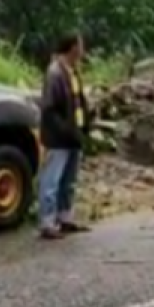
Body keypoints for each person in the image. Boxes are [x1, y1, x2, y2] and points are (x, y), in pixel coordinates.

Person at [38, 32, 92, 240]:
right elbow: (49, 109)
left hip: (74, 135)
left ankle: (65, 217)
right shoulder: (54, 73)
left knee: (69, 180)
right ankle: (48, 222)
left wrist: (84, 126)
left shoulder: (73, 71)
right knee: (52, 180)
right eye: (81, 45)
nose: (83, 49)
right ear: (72, 48)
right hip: (59, 137)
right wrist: (66, 130)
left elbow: (78, 101)